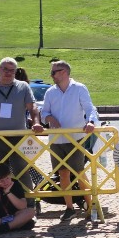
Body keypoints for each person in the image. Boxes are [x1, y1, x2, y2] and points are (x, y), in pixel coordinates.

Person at [0, 58, 43, 193]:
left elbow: (33, 107)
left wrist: (36, 122)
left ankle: (28, 203)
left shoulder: (23, 86)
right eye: (5, 69)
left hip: (18, 137)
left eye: (12, 70)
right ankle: (3, 203)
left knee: (21, 170)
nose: (8, 73)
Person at [40, 60, 99, 220]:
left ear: (64, 72)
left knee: (79, 173)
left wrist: (91, 122)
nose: (51, 75)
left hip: (75, 139)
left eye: (53, 72)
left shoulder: (79, 88)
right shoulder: (50, 92)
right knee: (63, 174)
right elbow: (43, 113)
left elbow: (90, 108)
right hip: (56, 140)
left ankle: (91, 206)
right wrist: (50, 118)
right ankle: (69, 207)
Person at [0, 163, 36, 235]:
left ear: (10, 175)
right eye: (2, 181)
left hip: (14, 215)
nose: (6, 182)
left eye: (7, 178)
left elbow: (22, 206)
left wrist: (8, 192)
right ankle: (16, 225)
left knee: (30, 211)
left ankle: (1, 229)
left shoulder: (15, 183)